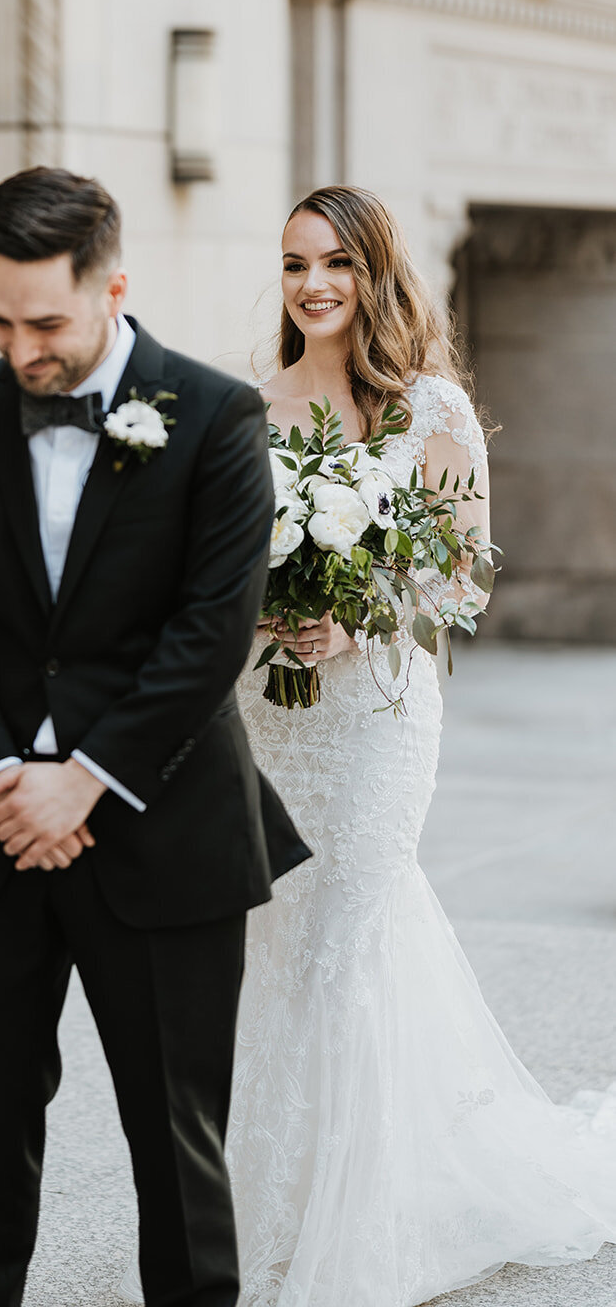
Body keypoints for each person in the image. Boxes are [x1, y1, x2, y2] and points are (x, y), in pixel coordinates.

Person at [0, 165, 311, 1307]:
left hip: (160, 828)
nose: (20, 348)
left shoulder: (216, 415)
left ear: (112, 287)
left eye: (45, 322)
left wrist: (83, 778)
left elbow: (207, 634)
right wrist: (0, 774)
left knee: (175, 1142)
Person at [227, 185, 616, 1307]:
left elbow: (461, 577)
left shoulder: (426, 410)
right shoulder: (250, 409)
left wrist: (354, 615)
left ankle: (365, 1217)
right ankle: (280, 1201)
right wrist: (263, 610)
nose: (312, 285)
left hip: (377, 718)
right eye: (296, 262)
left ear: (374, 273)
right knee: (282, 937)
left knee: (351, 918)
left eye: (336, 263)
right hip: (275, 713)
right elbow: (207, 570)